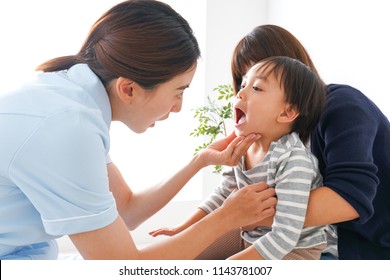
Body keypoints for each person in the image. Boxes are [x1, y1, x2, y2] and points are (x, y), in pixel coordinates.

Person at [0, 1, 278, 260]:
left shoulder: (73, 99)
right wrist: (225, 218)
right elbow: (123, 266)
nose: (178, 107)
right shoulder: (67, 129)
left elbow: (127, 210)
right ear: (128, 89)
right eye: (178, 92)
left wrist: (200, 161)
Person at [229, 25, 390, 260]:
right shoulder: (274, 136)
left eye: (259, 84)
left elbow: (349, 198)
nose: (247, 94)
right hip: (312, 238)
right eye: (244, 83)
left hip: (368, 244)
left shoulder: (341, 104)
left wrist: (240, 216)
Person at [151, 56, 330, 260]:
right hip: (250, 235)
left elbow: (286, 234)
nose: (240, 93)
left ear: (287, 112)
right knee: (185, 255)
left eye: (257, 88)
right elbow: (223, 194)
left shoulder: (294, 160)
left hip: (295, 249)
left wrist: (235, 263)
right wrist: (182, 230)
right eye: (243, 84)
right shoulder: (242, 146)